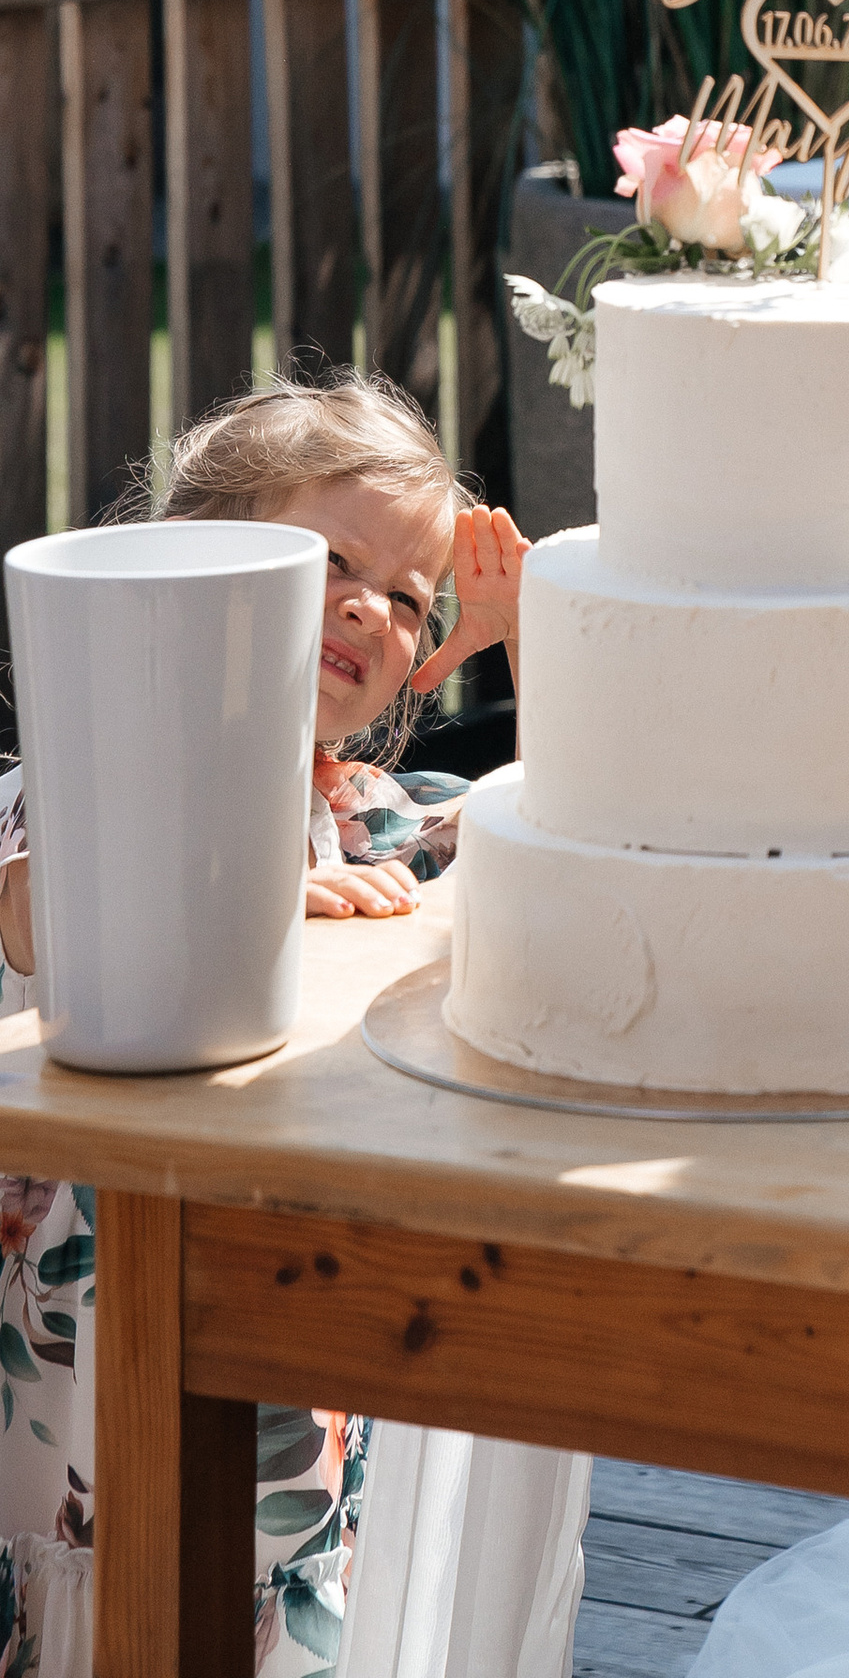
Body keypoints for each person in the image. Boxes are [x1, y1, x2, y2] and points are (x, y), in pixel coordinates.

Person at [0, 377, 576, 1678]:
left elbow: (582, 847)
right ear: (196, 556)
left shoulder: (385, 824)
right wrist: (215, 871)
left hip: (289, 1430)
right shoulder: (52, 808)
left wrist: (531, 640)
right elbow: (33, 919)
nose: (371, 608)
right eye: (329, 564)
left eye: (412, 600)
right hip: (73, 1421)